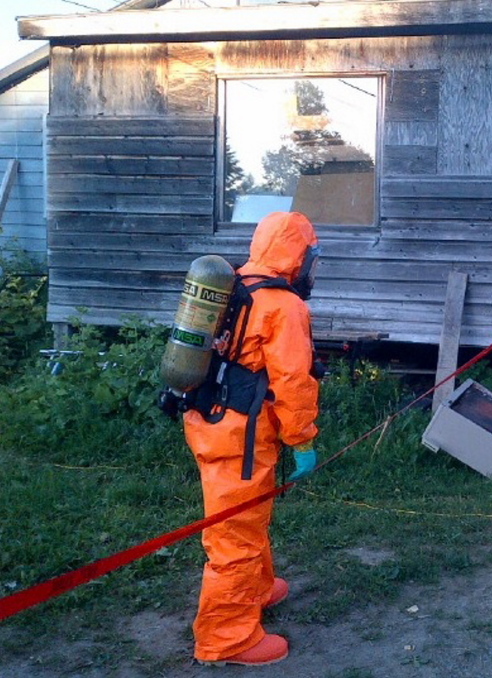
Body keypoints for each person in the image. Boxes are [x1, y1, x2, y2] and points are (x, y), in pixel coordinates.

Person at [184, 211, 321, 666]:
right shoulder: (284, 306)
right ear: (298, 256)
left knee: (248, 514)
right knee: (234, 536)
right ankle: (226, 637)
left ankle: (256, 590)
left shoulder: (234, 285)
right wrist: (302, 440)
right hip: (241, 436)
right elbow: (293, 382)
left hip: (211, 422)